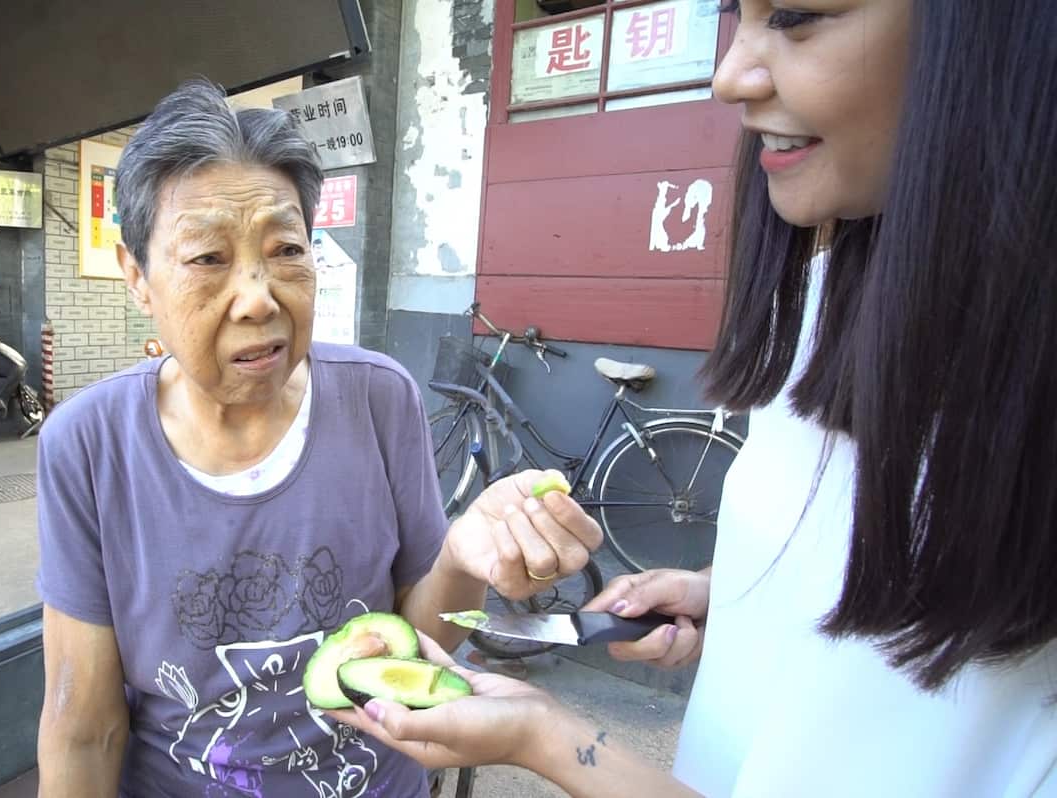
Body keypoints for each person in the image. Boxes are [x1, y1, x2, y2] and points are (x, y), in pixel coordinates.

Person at [330, 1, 1057, 795]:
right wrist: (739, 598)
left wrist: (544, 736)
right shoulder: (825, 304)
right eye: (736, 12)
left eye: (799, 15)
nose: (727, 76)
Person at [33, 79, 603, 797]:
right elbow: (84, 725)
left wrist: (461, 556)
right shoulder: (85, 446)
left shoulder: (378, 397)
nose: (258, 297)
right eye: (208, 259)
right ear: (137, 277)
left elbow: (419, 649)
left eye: (286, 251)